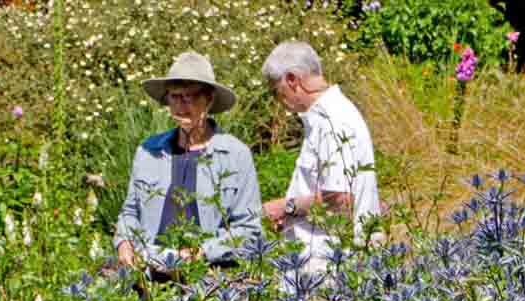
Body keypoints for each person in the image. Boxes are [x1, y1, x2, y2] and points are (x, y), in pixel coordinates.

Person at [113, 51, 265, 283]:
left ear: (209, 99)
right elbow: (130, 211)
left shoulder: (235, 155)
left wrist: (202, 252)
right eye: (175, 96)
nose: (181, 106)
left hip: (208, 280)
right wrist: (124, 242)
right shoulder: (148, 151)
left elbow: (249, 230)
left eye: (190, 97)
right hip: (148, 280)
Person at [260, 41, 383, 274]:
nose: (278, 99)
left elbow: (341, 200)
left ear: (292, 80)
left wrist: (285, 207)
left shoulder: (332, 120)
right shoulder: (326, 116)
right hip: (324, 258)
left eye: (276, 90)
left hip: (330, 264)